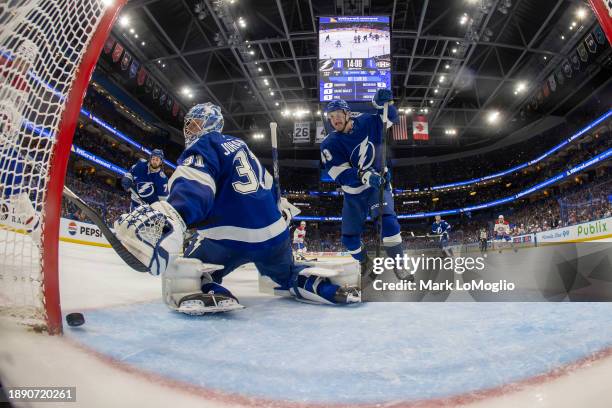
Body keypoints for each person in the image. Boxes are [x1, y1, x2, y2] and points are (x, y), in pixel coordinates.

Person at [115, 103, 360, 315]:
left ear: (210, 124)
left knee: (186, 271)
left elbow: (195, 183)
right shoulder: (241, 145)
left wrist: (175, 214)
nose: (190, 130)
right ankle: (321, 286)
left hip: (228, 240)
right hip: (275, 238)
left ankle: (205, 288)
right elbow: (269, 188)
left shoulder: (205, 144)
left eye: (196, 123)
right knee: (285, 273)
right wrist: (280, 209)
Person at [320, 89, 409, 282]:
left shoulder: (367, 121)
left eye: (338, 115)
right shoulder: (329, 143)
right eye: (331, 117)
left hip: (378, 184)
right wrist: (365, 175)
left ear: (347, 113)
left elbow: (392, 118)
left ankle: (400, 264)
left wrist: (383, 104)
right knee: (349, 240)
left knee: (389, 223)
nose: (334, 120)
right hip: (353, 193)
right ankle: (365, 262)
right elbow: (340, 175)